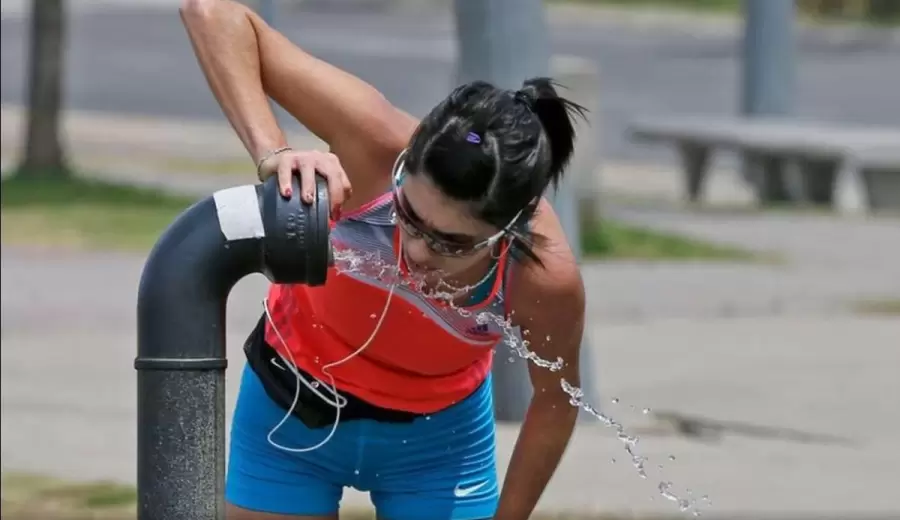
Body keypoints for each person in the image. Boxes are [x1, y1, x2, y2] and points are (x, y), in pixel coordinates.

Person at [181, 1, 587, 519]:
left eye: (451, 243)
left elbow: (556, 401)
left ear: (509, 231)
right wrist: (274, 153)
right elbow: (210, 13)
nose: (416, 252)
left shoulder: (542, 278)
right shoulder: (370, 138)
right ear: (404, 162)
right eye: (408, 216)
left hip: (437, 446)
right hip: (289, 408)